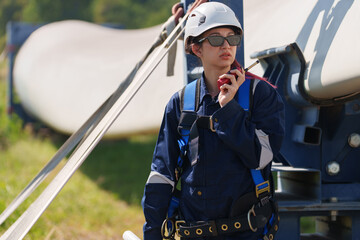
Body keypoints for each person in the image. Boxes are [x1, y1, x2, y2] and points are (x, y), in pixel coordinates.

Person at [142, 2, 285, 240]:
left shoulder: (261, 95)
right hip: (193, 233)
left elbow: (259, 158)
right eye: (216, 39)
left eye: (232, 38)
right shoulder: (180, 103)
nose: (226, 46)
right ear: (196, 48)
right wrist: (153, 231)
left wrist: (228, 109)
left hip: (246, 233)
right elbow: (162, 174)